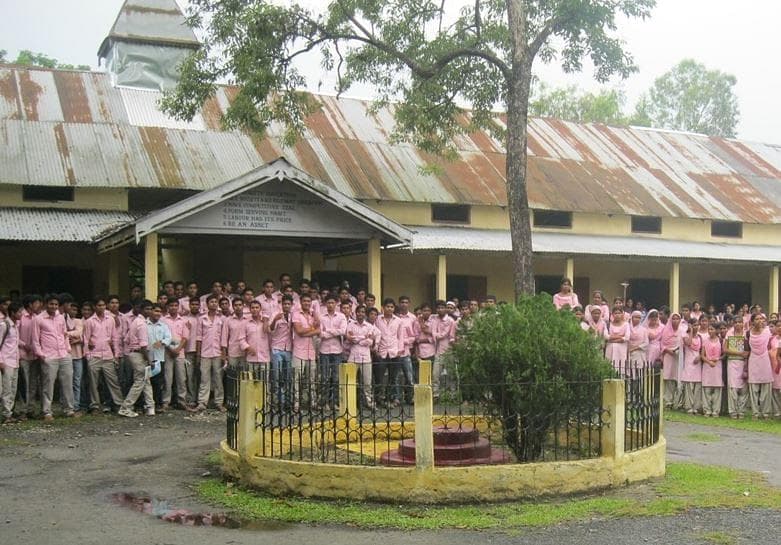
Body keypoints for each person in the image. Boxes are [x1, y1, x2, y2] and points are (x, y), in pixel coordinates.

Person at [33, 294, 76, 421]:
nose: (53, 306)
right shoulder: (39, 319)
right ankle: (47, 411)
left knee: (67, 383)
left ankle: (69, 409)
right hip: (49, 356)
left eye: (56, 304)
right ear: (46, 304)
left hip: (63, 354)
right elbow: (35, 339)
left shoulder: (60, 317)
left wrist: (68, 349)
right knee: (48, 385)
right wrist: (41, 355)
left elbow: (64, 334)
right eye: (51, 304)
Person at [83, 297, 124, 414]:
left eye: (103, 305)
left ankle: (118, 404)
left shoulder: (110, 320)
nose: (101, 307)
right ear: (95, 307)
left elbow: (114, 337)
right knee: (93, 383)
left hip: (107, 355)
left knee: (113, 381)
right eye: (99, 305)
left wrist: (116, 354)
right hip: (94, 355)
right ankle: (95, 406)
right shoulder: (89, 321)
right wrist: (88, 355)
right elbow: (86, 339)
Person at [118, 300, 155, 418]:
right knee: (140, 381)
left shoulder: (136, 321)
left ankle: (150, 407)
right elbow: (143, 346)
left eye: (151, 309)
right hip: (139, 354)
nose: (149, 311)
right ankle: (126, 407)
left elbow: (126, 339)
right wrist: (149, 360)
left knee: (146, 380)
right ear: (141, 310)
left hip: (135, 353)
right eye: (147, 309)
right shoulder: (141, 324)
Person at [195, 294, 226, 412]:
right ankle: (202, 403)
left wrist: (224, 354)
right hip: (205, 353)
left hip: (218, 353)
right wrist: (198, 354)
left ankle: (219, 402)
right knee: (204, 379)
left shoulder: (222, 319)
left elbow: (224, 338)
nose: (214, 303)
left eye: (215, 302)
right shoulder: (202, 319)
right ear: (207, 304)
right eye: (211, 302)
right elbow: (199, 337)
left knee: (218, 379)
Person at [318, 295, 347, 411]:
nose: (330, 305)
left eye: (332, 303)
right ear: (325, 304)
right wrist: (334, 332)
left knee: (336, 378)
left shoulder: (341, 316)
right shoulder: (321, 317)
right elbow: (320, 333)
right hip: (324, 350)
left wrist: (328, 332)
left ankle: (334, 402)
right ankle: (324, 402)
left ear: (336, 304)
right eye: (328, 303)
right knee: (324, 378)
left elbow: (343, 331)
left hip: (337, 350)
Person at [291, 293, 320, 411]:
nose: (307, 303)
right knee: (296, 379)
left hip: (311, 352)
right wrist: (312, 329)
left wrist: (307, 331)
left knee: (312, 379)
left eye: (309, 301)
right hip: (298, 351)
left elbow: (319, 330)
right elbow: (298, 331)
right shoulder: (296, 314)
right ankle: (296, 404)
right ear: (301, 302)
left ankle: (313, 403)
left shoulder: (313, 316)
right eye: (304, 301)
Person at [16, 294, 42, 420]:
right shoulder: (20, 316)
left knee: (33, 384)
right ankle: (23, 410)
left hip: (34, 355)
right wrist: (24, 345)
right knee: (24, 383)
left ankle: (31, 409)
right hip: (23, 355)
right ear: (30, 304)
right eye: (37, 303)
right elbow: (14, 335)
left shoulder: (37, 317)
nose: (39, 305)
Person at [346, 305, 377, 409]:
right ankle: (350, 404)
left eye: (363, 312)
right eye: (359, 312)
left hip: (366, 357)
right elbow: (351, 339)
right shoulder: (350, 325)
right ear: (356, 313)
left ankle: (369, 403)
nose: (361, 314)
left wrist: (358, 339)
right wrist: (364, 337)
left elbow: (370, 342)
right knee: (350, 382)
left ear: (365, 314)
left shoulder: (369, 326)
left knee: (367, 383)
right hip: (353, 357)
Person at [374, 298, 404, 406]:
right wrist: (376, 349)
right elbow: (375, 334)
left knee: (393, 377)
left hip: (394, 352)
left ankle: (390, 398)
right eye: (387, 306)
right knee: (379, 378)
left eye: (392, 307)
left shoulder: (398, 321)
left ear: (394, 308)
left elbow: (400, 336)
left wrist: (400, 350)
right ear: (383, 307)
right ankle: (379, 399)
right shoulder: (377, 319)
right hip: (381, 352)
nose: (390, 309)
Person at [162, 299, 190, 411]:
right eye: (171, 305)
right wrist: (170, 349)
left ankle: (182, 401)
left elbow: (185, 337)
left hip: (179, 352)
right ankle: (166, 402)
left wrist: (178, 349)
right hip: (167, 351)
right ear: (168, 307)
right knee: (167, 378)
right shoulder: (163, 320)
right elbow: (161, 336)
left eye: (175, 305)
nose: (173, 307)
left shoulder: (183, 320)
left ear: (178, 307)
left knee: (181, 378)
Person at [747, 314, 773, 419]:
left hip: (765, 360)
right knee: (754, 388)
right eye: (757, 319)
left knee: (766, 387)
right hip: (753, 360)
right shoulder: (748, 333)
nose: (759, 321)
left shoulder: (767, 331)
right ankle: (755, 413)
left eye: (761, 319)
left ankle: (765, 413)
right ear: (752, 321)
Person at [0, 302, 23, 423]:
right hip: (6, 361)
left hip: (15, 360)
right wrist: (1, 361)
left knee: (13, 388)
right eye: (19, 312)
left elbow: (15, 343)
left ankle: (9, 412)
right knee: (7, 389)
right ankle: (6, 414)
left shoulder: (15, 326)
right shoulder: (4, 325)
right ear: (13, 313)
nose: (21, 314)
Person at [269, 295, 293, 408]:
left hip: (288, 349)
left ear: (291, 305)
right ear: (281, 304)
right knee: (277, 375)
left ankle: (287, 401)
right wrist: (275, 320)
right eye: (284, 304)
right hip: (276, 348)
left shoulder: (293, 315)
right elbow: (270, 329)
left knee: (287, 375)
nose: (286, 306)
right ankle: (279, 401)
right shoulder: (276, 314)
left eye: (288, 304)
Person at [395, 295, 418, 405]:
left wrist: (404, 341)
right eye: (402, 302)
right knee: (397, 377)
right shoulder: (395, 317)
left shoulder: (413, 318)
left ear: (409, 304)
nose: (404, 304)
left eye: (406, 302)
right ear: (399, 303)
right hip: (395, 352)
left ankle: (410, 398)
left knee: (409, 376)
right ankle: (398, 398)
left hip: (406, 352)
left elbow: (414, 336)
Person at [430, 300, 456, 399]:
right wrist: (436, 335)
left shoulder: (450, 321)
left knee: (451, 375)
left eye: (442, 308)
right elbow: (433, 333)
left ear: (445, 309)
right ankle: (436, 395)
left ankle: (453, 395)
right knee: (435, 374)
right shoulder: (434, 319)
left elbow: (444, 335)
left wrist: (436, 335)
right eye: (438, 308)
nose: (440, 310)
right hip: (438, 351)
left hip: (449, 350)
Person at [724, 320, 749, 419]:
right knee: (732, 388)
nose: (738, 324)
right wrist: (739, 353)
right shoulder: (729, 333)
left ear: (743, 323)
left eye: (740, 322)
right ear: (733, 324)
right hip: (732, 362)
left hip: (744, 363)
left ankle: (741, 411)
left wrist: (745, 355)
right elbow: (725, 349)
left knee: (743, 388)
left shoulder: (746, 334)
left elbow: (748, 349)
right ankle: (733, 411)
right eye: (736, 322)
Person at [660, 312, 683, 409]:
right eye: (673, 319)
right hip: (668, 356)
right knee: (668, 379)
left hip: (679, 357)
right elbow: (662, 344)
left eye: (677, 319)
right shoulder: (665, 330)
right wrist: (668, 350)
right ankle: (668, 401)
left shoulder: (682, 330)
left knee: (677, 378)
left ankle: (677, 402)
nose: (675, 321)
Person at [680, 319, 703, 414]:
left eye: (697, 325)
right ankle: (689, 406)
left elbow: (702, 350)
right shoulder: (685, 336)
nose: (696, 327)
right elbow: (689, 343)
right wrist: (691, 331)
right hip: (689, 362)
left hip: (697, 362)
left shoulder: (700, 337)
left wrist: (700, 357)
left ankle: (696, 407)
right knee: (689, 385)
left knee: (697, 386)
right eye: (694, 325)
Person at [700, 324, 724, 417]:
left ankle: (716, 411)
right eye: (709, 329)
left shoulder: (721, 340)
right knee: (707, 389)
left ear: (716, 330)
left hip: (717, 366)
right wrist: (709, 362)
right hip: (707, 366)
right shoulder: (705, 341)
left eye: (712, 329)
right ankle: (707, 410)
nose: (710, 331)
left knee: (717, 389)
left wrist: (717, 359)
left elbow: (724, 354)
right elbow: (702, 355)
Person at [243, 301, 270, 377]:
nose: (255, 309)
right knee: (251, 382)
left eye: (257, 307)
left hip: (264, 358)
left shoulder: (266, 321)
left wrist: (266, 321)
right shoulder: (246, 323)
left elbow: (270, 333)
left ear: (260, 309)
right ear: (250, 309)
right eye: (253, 308)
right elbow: (241, 339)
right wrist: (248, 347)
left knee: (264, 382)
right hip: (251, 358)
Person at [221, 299, 248, 370]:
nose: (238, 307)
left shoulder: (248, 319)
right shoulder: (228, 320)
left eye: (240, 305)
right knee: (232, 374)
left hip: (245, 353)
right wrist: (224, 355)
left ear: (243, 306)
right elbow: (224, 338)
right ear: (232, 307)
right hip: (232, 353)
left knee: (244, 374)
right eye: (236, 305)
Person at [605, 307, 630, 374]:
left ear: (622, 314)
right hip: (610, 348)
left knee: (620, 366)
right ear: (612, 314)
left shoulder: (626, 324)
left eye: (619, 313)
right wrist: (620, 336)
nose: (617, 315)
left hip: (621, 349)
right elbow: (606, 336)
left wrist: (612, 339)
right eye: (615, 313)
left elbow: (627, 337)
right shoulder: (608, 324)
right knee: (609, 366)